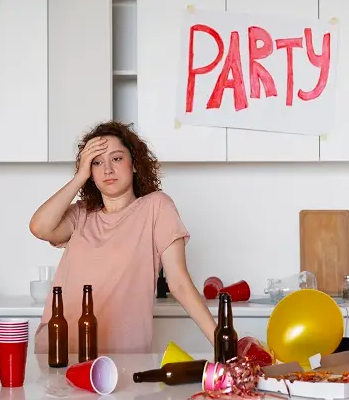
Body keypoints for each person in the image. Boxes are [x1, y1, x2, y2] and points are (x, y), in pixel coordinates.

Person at [29, 121, 217, 354]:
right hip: (59, 350)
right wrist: (79, 177)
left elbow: (179, 283)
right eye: (97, 162)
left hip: (122, 356)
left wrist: (224, 345)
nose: (107, 169)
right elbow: (39, 227)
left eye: (116, 158)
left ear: (134, 164)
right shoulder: (81, 214)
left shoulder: (156, 207)